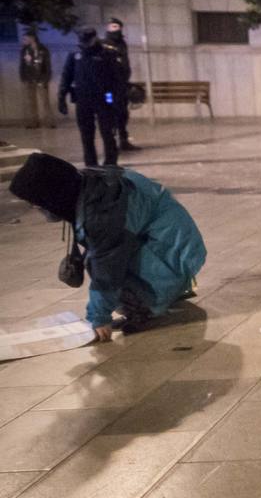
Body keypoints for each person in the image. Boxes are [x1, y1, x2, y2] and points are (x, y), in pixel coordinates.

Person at [8, 152, 206, 340]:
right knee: (99, 257)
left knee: (101, 263)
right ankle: (165, 287)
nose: (36, 208)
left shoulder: (103, 212)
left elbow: (108, 267)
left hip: (176, 252)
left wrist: (99, 318)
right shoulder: (89, 184)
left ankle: (150, 300)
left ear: (50, 196)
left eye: (35, 202)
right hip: (175, 244)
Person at [58, 27, 125, 168]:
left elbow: (117, 80)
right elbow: (66, 77)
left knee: (108, 133)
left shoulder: (107, 54)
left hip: (104, 100)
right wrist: (61, 97)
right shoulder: (75, 55)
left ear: (94, 38)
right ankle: (91, 164)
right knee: (86, 135)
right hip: (83, 100)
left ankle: (110, 163)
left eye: (87, 41)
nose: (84, 44)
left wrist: (114, 101)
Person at [103, 18, 139, 151]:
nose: (115, 29)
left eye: (117, 27)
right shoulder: (104, 44)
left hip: (121, 86)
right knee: (109, 112)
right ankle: (110, 142)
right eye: (113, 27)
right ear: (108, 28)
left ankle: (123, 139)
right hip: (108, 89)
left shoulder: (122, 44)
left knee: (122, 113)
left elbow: (125, 64)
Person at [19, 29, 56, 129]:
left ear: (32, 38)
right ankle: (33, 122)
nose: (24, 40)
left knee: (45, 101)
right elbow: (22, 65)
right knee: (31, 102)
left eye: (26, 38)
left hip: (41, 78)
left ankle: (49, 122)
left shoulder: (43, 49)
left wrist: (46, 78)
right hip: (29, 78)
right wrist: (23, 77)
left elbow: (47, 65)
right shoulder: (24, 50)